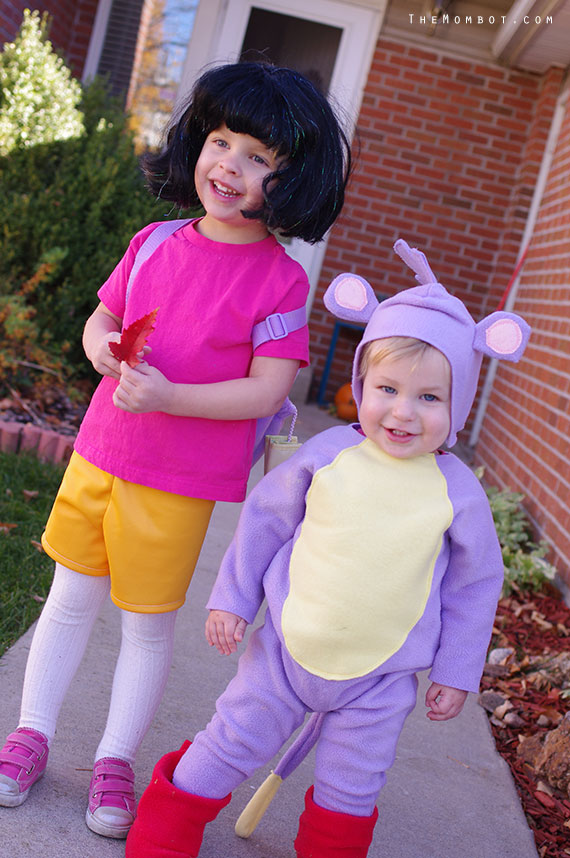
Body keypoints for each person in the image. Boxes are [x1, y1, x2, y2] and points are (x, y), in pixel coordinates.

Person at [0, 61, 351, 839]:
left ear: (293, 180)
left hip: (178, 482)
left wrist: (168, 398)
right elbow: (104, 317)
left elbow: (264, 393)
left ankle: (116, 758)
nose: (229, 164)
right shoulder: (154, 241)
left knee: (146, 625)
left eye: (258, 156)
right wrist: (101, 350)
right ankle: (29, 735)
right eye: (221, 141)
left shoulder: (279, 284)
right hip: (101, 455)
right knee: (67, 602)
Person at [126, 238, 531, 858]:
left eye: (430, 398)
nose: (403, 413)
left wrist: (455, 671)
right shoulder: (326, 455)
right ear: (359, 384)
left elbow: (474, 585)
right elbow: (263, 524)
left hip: (381, 680)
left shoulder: (458, 493)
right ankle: (164, 831)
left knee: (352, 787)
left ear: (460, 406)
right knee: (231, 741)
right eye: (387, 389)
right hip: (284, 655)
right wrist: (232, 600)